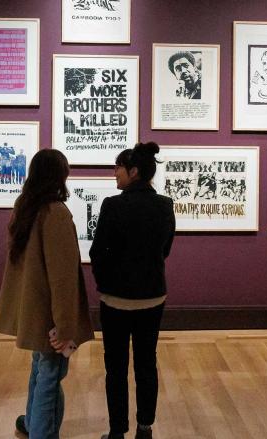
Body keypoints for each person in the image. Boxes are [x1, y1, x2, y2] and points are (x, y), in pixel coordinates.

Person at [0, 149, 94, 439]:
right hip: (51, 315)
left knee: (40, 370)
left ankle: (31, 424)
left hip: (33, 310)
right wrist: (64, 326)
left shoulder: (25, 207)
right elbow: (62, 278)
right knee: (51, 374)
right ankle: (42, 433)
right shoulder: (56, 214)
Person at [90, 142, 176, 439]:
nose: (114, 173)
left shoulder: (113, 205)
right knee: (146, 362)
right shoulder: (165, 205)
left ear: (134, 171)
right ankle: (145, 427)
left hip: (115, 299)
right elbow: (164, 250)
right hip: (153, 296)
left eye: (118, 168)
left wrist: (106, 284)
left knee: (116, 367)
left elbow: (98, 252)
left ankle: (117, 432)